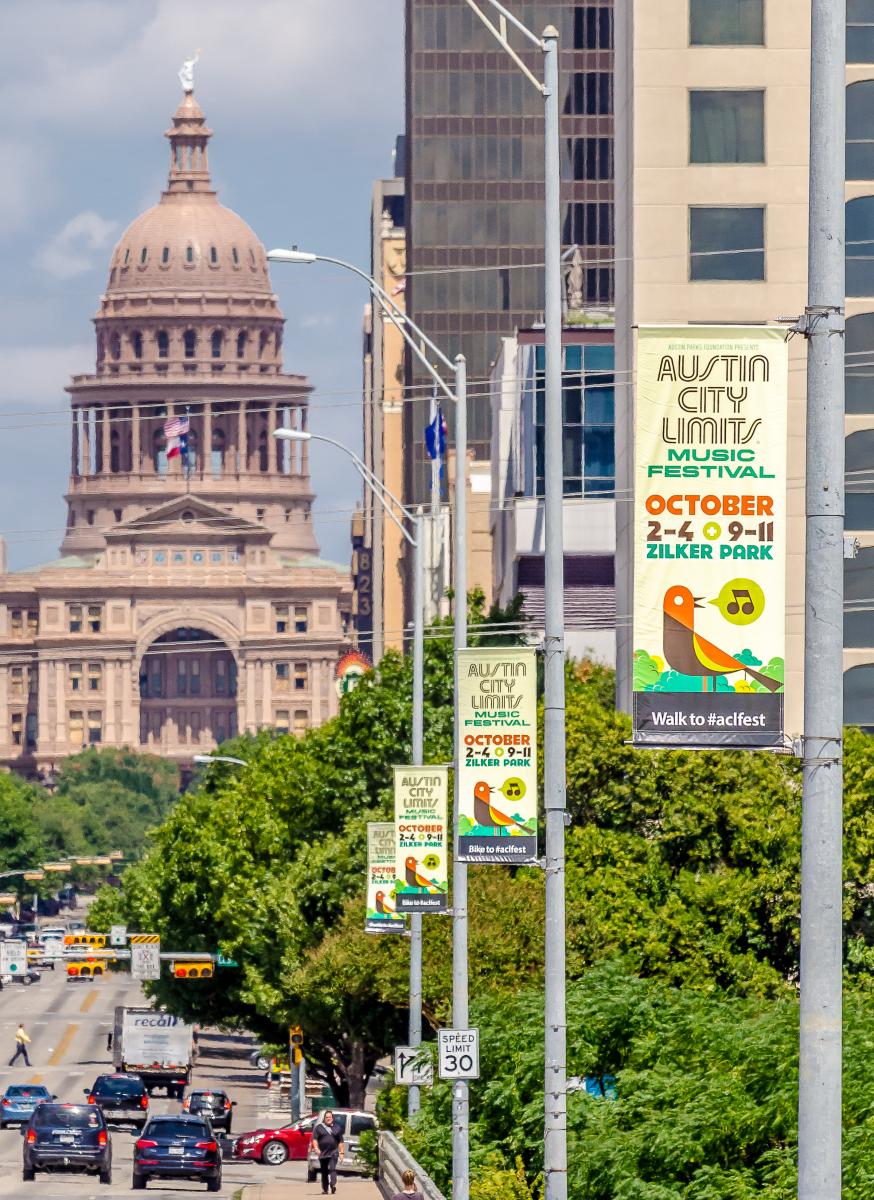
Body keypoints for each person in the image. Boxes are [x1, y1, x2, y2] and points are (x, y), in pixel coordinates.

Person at [312, 1109, 345, 1194]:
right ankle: (325, 1189)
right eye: (326, 1117)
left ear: (332, 1118)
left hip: (333, 1152)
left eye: (329, 1117)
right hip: (323, 1153)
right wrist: (316, 1148)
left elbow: (340, 1141)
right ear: (324, 1118)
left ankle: (333, 1184)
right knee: (324, 1172)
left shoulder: (337, 1128)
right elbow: (314, 1139)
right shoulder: (319, 1128)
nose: (328, 1119)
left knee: (332, 1168)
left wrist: (341, 1153)